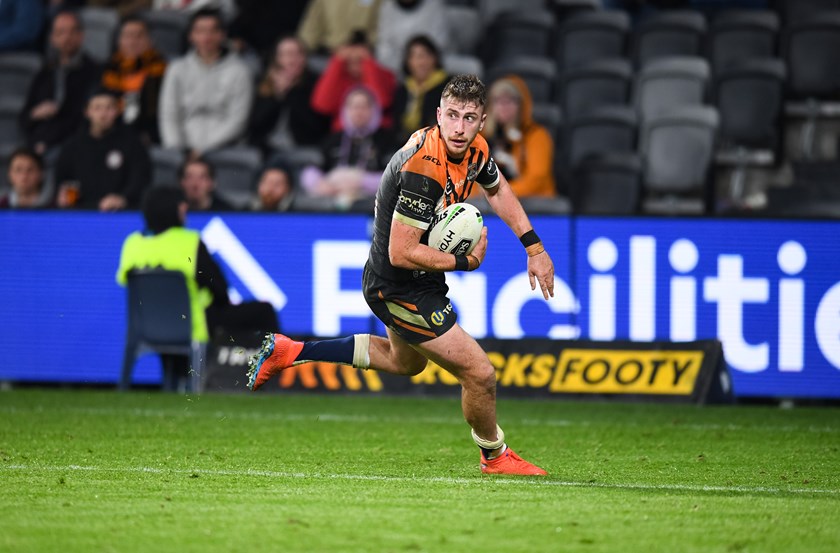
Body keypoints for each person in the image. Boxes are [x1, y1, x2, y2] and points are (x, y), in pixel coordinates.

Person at [247, 75, 555, 476]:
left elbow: (497, 191)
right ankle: (495, 457)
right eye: (452, 116)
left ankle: (290, 352)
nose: (460, 127)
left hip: (412, 277)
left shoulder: (474, 149)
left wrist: (535, 248)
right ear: (438, 115)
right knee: (480, 374)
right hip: (397, 283)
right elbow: (402, 251)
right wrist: (467, 263)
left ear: (482, 122)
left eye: (470, 118)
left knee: (404, 362)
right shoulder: (423, 168)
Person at [116, 187, 279, 389]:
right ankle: (274, 380)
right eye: (182, 206)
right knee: (264, 311)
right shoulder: (188, 242)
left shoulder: (132, 244)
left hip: (148, 327)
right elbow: (219, 289)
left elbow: (128, 282)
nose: (185, 210)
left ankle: (170, 382)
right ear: (173, 209)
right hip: (194, 325)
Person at [158, 8, 253, 157]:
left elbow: (238, 121)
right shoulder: (176, 69)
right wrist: (176, 150)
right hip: (183, 150)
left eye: (213, 31)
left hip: (225, 150)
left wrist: (203, 150)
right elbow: (169, 115)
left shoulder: (240, 71)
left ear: (222, 35)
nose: (207, 37)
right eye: (200, 31)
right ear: (191, 36)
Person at [19, 10, 101, 155]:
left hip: (73, 147)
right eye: (60, 33)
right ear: (52, 38)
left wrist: (47, 141)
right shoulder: (45, 72)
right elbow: (24, 116)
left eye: (72, 32)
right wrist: (35, 114)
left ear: (81, 36)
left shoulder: (93, 72)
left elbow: (85, 119)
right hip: (39, 144)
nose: (66, 38)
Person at [54, 89, 151, 211]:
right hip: (81, 213)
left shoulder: (132, 144)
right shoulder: (72, 146)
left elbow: (140, 178)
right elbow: (65, 179)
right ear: (87, 112)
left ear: (117, 111)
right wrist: (67, 197)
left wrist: (123, 198)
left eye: (109, 108)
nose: (103, 114)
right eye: (97, 108)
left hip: (120, 212)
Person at [301, 86, 394, 205]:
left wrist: (361, 180)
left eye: (364, 107)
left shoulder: (386, 140)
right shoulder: (333, 139)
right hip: (332, 198)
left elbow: (394, 178)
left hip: (371, 202)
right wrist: (320, 184)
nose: (359, 112)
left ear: (374, 110)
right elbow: (310, 170)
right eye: (354, 107)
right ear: (346, 110)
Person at [247, 35, 330, 154]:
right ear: (277, 59)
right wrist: (278, 95)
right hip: (266, 148)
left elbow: (315, 126)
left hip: (302, 146)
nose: (294, 59)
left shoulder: (316, 83)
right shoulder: (264, 84)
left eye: (299, 53)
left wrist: (292, 93)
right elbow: (256, 124)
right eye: (288, 54)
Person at [480, 75, 557, 198]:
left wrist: (499, 193)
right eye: (498, 100)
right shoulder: (480, 137)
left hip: (532, 203)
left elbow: (537, 179)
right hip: (489, 202)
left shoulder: (537, 135)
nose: (504, 106)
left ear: (522, 104)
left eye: (510, 100)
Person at [310, 31, 396, 132]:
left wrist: (368, 64)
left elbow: (382, 103)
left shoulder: (382, 73)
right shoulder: (338, 77)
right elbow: (322, 105)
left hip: (378, 133)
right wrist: (337, 61)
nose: (355, 65)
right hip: (344, 134)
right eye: (349, 61)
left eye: (359, 60)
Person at [101, 15, 167, 144]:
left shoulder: (161, 71)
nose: (133, 42)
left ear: (150, 41)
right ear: (119, 41)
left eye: (139, 36)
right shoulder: (107, 70)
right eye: (127, 36)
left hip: (147, 137)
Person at [391, 35, 449, 145]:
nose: (421, 62)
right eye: (416, 57)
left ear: (435, 59)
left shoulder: (448, 88)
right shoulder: (403, 89)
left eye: (426, 56)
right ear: (408, 62)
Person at [375, 0, 448, 76]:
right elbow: (384, 49)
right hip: (397, 72)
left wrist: (421, 60)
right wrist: (406, 67)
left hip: (431, 71)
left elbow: (438, 45)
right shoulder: (387, 6)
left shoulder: (434, 5)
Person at [297, 0, 383, 55]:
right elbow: (310, 32)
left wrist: (363, 47)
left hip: (368, 55)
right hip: (331, 55)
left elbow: (387, 29)